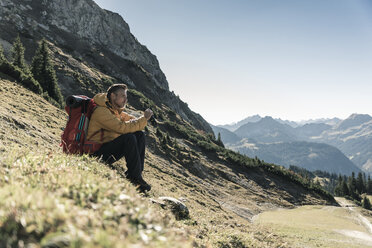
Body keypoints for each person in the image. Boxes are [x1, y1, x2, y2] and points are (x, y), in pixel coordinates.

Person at [87, 84, 153, 192]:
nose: (126, 99)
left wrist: (141, 119)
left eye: (126, 96)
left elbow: (132, 120)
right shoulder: (101, 111)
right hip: (96, 153)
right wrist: (143, 119)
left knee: (139, 134)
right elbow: (121, 128)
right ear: (113, 96)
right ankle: (134, 178)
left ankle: (137, 175)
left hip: (107, 150)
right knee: (129, 137)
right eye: (123, 96)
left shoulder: (115, 111)